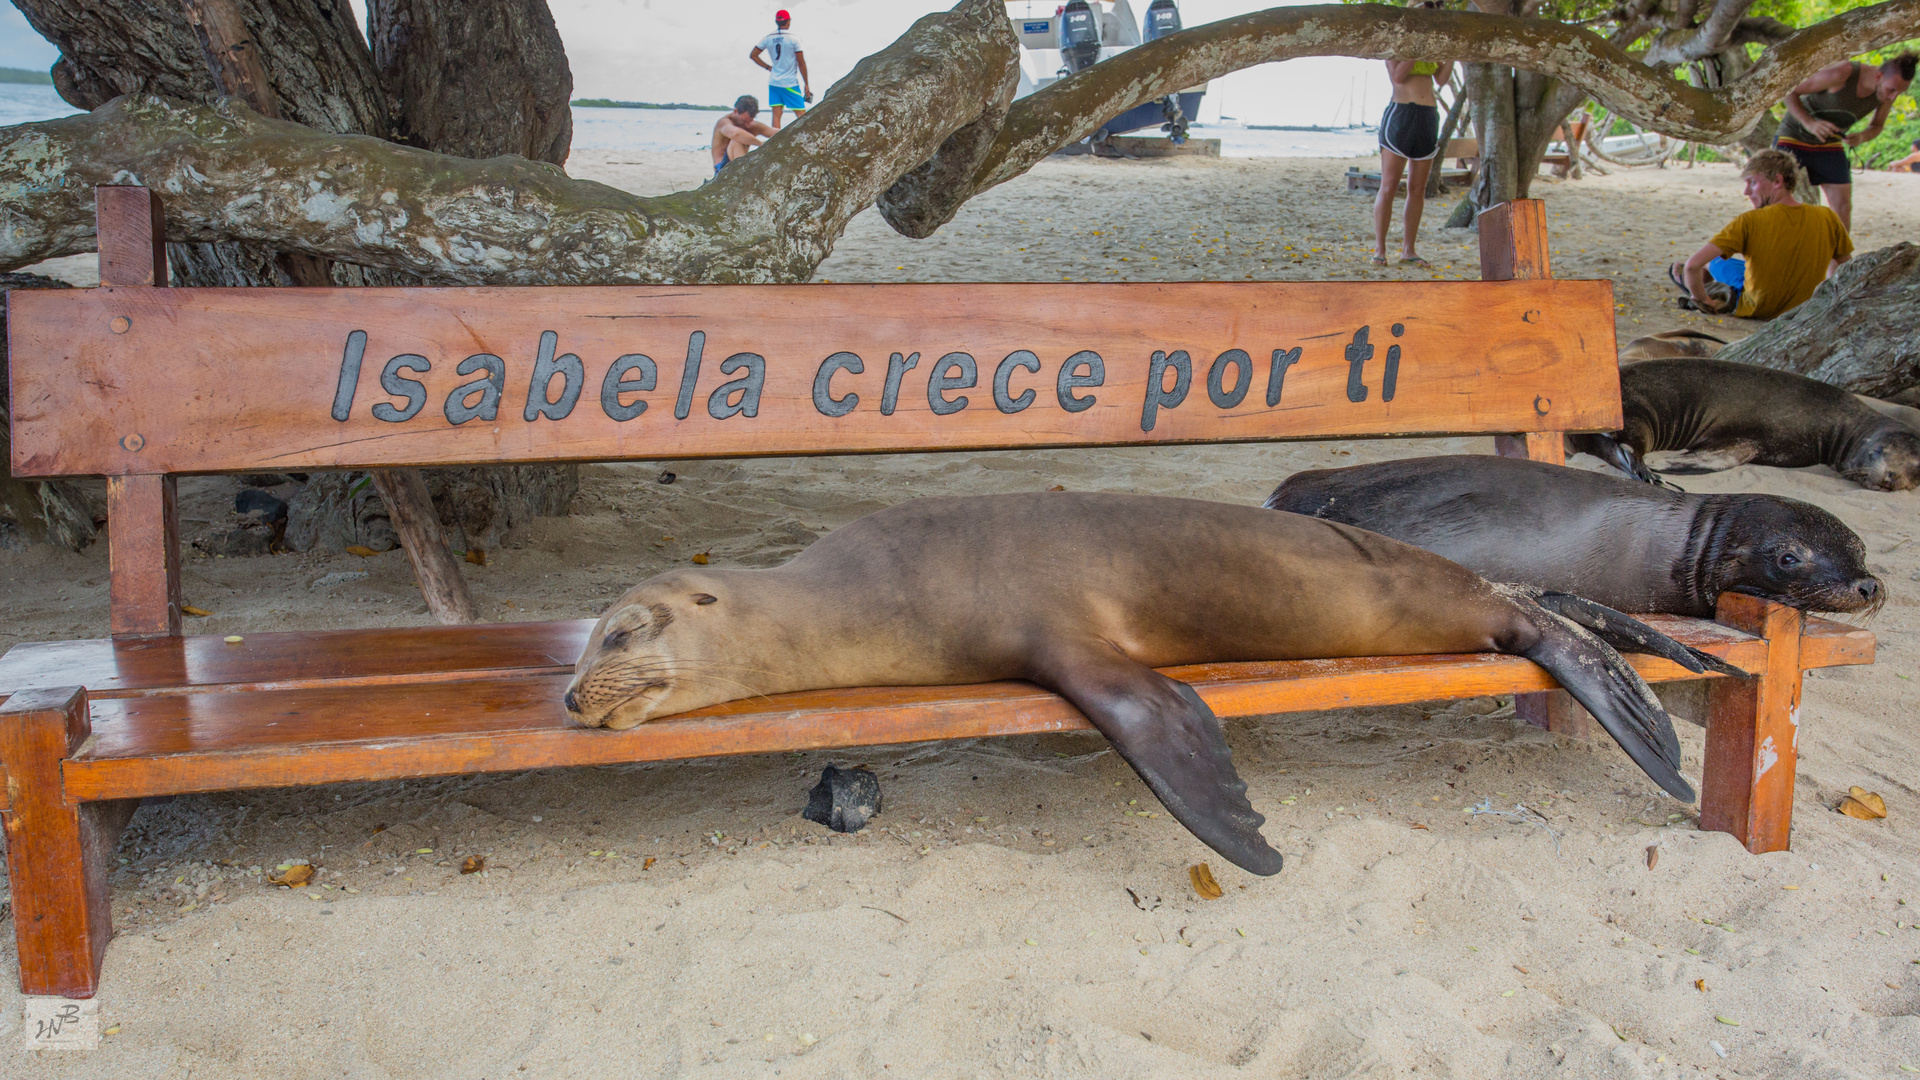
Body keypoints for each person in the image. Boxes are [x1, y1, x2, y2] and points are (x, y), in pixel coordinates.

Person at [1666, 148, 1852, 320]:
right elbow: (1848, 267)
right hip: (1803, 307)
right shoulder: (1828, 216)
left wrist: (1703, 301)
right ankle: (1708, 287)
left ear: (1778, 181)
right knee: (1732, 264)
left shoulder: (1749, 221)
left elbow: (1692, 266)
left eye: (1752, 183)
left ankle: (1703, 291)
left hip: (1758, 308)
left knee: (1715, 262)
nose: (1746, 192)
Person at [1774, 52, 1917, 232]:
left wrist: (1862, 136)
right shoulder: (1843, 72)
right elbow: (1790, 90)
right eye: (1892, 90)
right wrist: (1810, 123)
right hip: (1793, 135)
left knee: (1843, 206)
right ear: (1879, 76)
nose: (1893, 97)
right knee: (1774, 195)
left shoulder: (1886, 94)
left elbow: (1877, 125)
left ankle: (1841, 259)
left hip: (1830, 143)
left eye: (1900, 92)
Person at [1371, 0, 1452, 269]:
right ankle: (1380, 250)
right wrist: (1416, 50)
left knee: (1417, 188)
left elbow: (1441, 79)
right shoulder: (1395, 41)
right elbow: (1398, 76)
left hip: (1428, 117)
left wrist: (1451, 54)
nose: (1426, 17)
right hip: (1401, 114)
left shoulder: (1433, 43)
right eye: (1421, 12)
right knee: (1390, 185)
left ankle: (1409, 250)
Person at [751, 9, 812, 129]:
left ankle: (774, 143)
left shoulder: (768, 37)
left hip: (774, 81)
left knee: (776, 115)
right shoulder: (794, 38)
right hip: (789, 82)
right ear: (788, 21)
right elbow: (801, 63)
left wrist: (768, 67)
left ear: (776, 22)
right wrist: (806, 84)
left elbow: (753, 55)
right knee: (801, 114)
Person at [710, 95, 776, 177]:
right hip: (721, 170)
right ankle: (748, 177)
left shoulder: (749, 125)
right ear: (735, 111)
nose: (747, 126)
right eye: (743, 121)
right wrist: (761, 144)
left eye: (750, 121)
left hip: (741, 166)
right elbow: (736, 134)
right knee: (737, 141)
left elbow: (776, 132)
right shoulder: (723, 123)